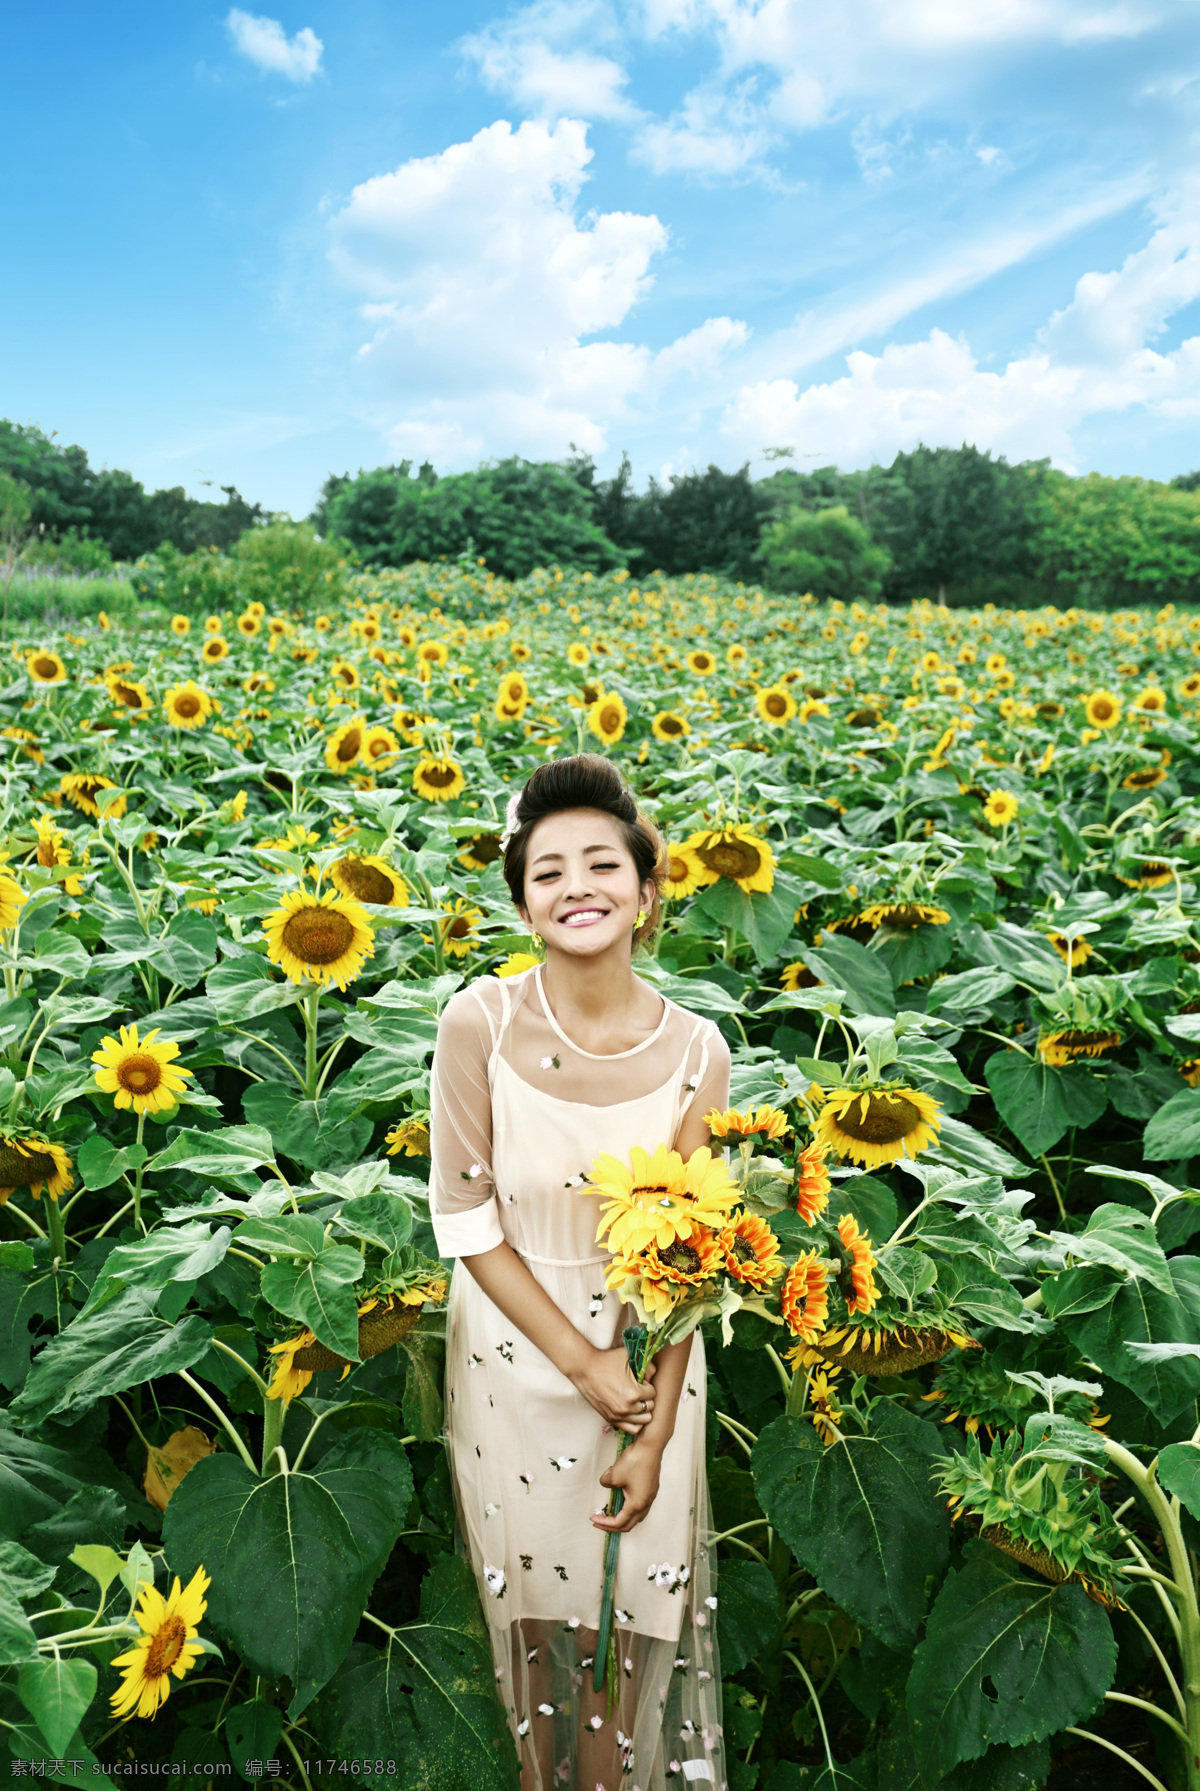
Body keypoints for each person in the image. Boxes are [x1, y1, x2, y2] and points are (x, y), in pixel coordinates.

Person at [429, 753, 731, 1791]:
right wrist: (579, 1363)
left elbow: (700, 1255)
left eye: (601, 864)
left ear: (648, 894)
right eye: (547, 871)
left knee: (627, 1631)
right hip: (514, 1363)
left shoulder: (700, 1051)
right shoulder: (480, 1022)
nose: (576, 887)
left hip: (648, 1378)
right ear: (522, 903)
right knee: (530, 1628)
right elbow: (461, 1214)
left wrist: (651, 1421)